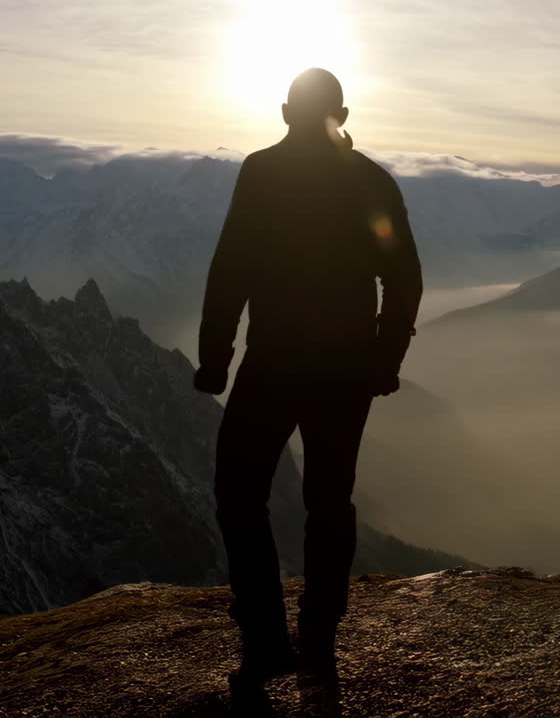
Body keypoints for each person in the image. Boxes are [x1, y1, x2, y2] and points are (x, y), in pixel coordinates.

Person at [194, 68, 423, 692]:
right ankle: (319, 640)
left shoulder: (262, 172)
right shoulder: (370, 181)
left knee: (239, 492)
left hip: (272, 361)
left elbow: (231, 268)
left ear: (284, 112)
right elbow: (403, 277)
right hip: (345, 369)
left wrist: (215, 358)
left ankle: (265, 637)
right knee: (329, 501)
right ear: (341, 116)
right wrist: (385, 358)